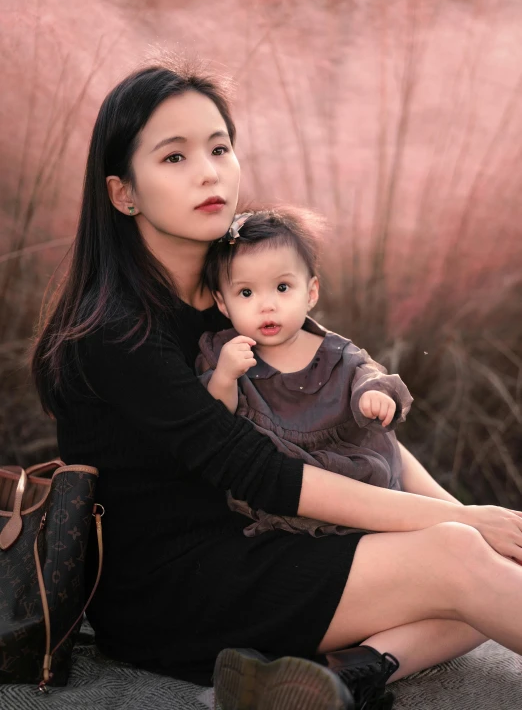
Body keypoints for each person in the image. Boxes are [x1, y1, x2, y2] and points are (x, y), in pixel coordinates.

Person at [31, 63, 522, 710]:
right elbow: (264, 475)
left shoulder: (240, 293)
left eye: (219, 147)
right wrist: (464, 520)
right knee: (457, 558)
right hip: (176, 592)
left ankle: (343, 676)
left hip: (262, 545)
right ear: (125, 194)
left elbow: (340, 409)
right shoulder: (115, 332)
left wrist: (473, 519)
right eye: (174, 156)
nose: (209, 171)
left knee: (474, 569)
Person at [196, 207, 413, 539]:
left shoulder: (335, 353)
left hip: (352, 486)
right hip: (282, 499)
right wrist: (224, 376)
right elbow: (213, 422)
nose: (266, 305)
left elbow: (365, 373)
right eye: (246, 293)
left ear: (310, 293)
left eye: (282, 288)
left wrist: (373, 394)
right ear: (223, 304)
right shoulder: (224, 354)